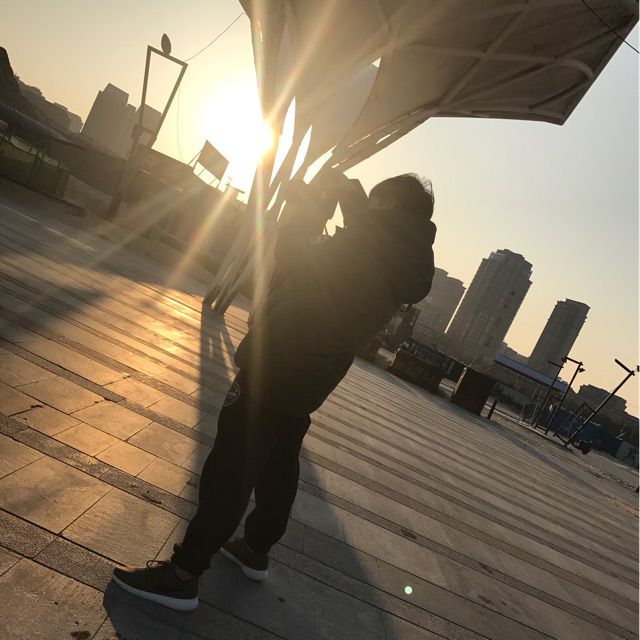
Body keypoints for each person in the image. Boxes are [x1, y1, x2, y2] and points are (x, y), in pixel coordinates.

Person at [111, 171, 437, 611]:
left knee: (233, 461)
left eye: (376, 201)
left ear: (390, 207)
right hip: (315, 369)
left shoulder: (368, 242)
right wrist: (344, 210)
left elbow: (297, 259)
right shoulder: (401, 255)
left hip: (281, 356)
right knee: (280, 458)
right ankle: (255, 547)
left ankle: (184, 573)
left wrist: (309, 211)